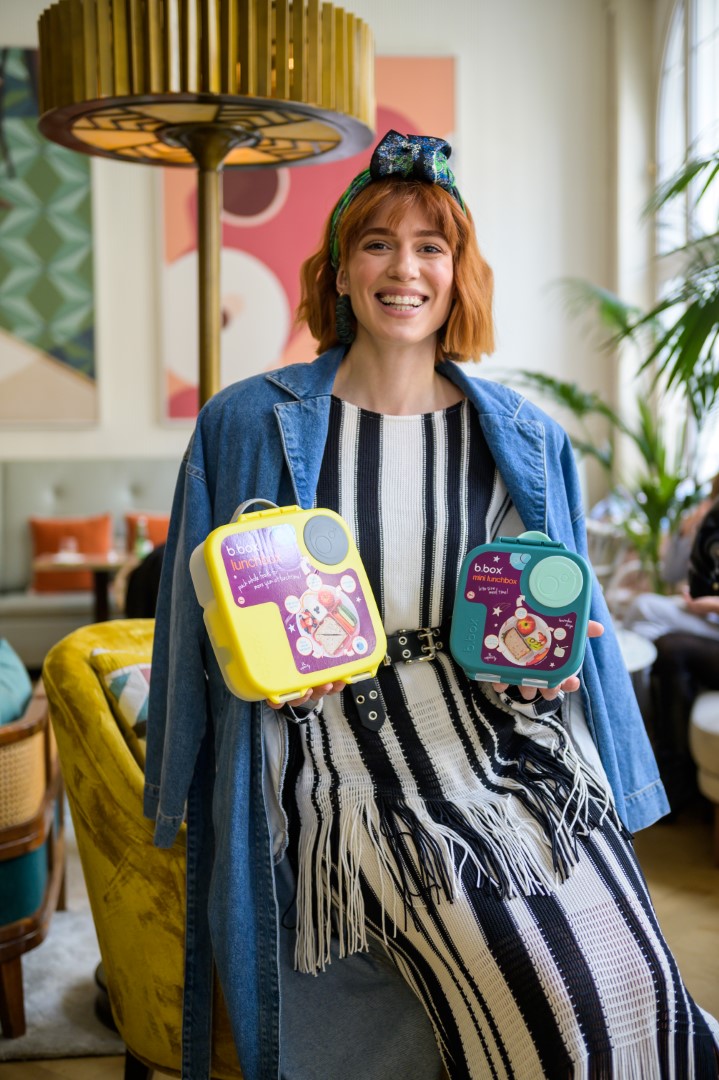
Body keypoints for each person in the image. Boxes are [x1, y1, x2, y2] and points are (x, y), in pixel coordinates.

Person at [146, 131, 719, 1080]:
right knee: (544, 1003)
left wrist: (541, 675)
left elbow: (541, 622)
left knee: (641, 984)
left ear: (458, 275)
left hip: (507, 749)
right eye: (376, 243)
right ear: (339, 271)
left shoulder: (524, 436)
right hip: (347, 771)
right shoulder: (245, 422)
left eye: (430, 247)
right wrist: (255, 688)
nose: (402, 269)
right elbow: (193, 622)